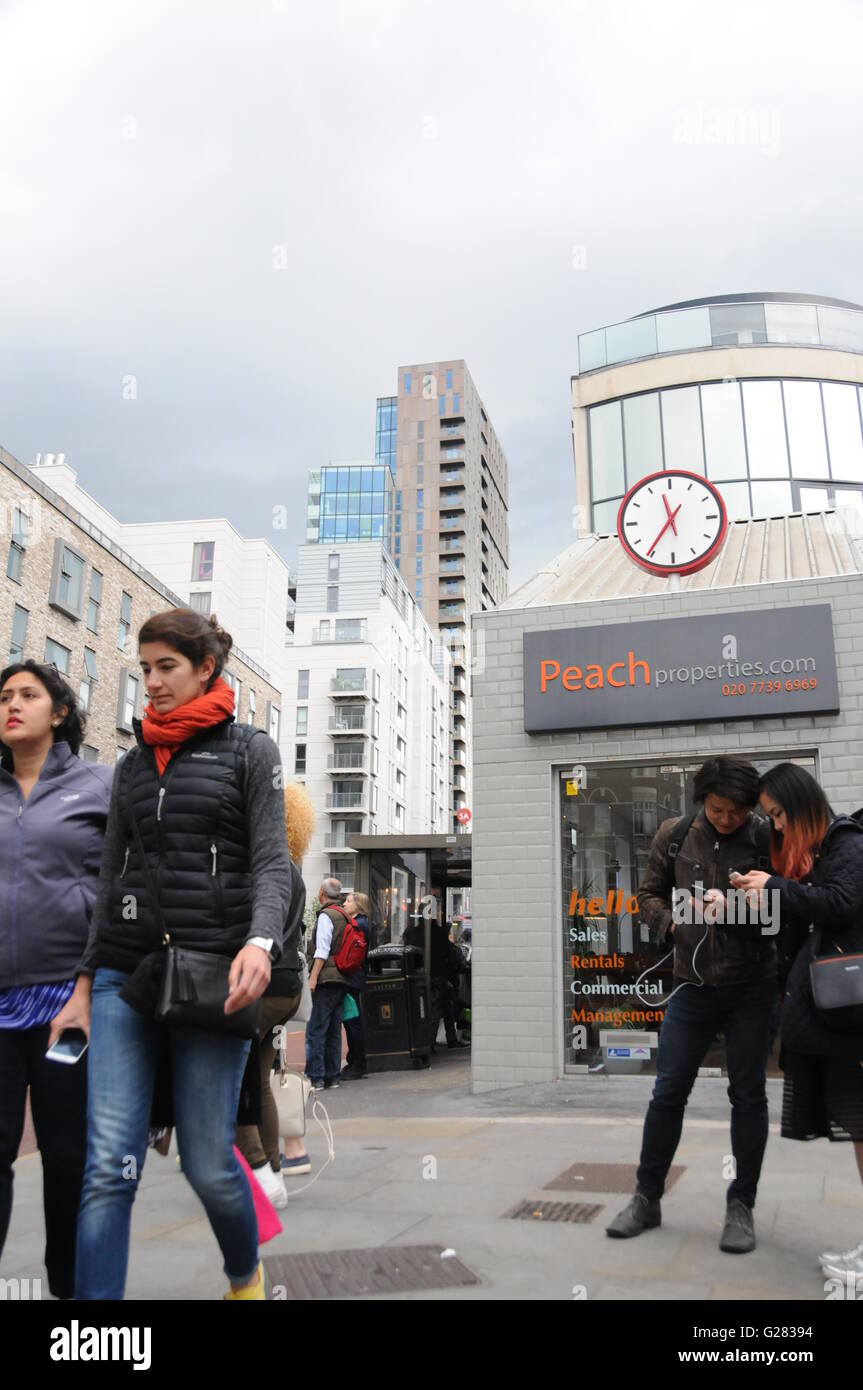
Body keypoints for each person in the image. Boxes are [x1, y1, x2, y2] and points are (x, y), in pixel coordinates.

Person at [73, 609, 291, 1301]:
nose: (151, 683)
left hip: (212, 976)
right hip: (123, 976)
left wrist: (259, 942)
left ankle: (243, 1275)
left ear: (205, 668)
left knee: (206, 1163)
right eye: (143, 669)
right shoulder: (132, 765)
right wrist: (84, 979)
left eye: (165, 667)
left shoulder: (251, 751)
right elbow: (110, 880)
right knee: (109, 1163)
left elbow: (271, 864)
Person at [606, 755, 777, 1254]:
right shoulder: (674, 835)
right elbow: (647, 896)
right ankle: (646, 1197)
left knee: (748, 1097)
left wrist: (742, 908)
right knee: (667, 1092)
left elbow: (785, 908)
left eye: (737, 811)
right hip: (690, 985)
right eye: (719, 809)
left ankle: (741, 1206)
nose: (728, 819)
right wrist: (675, 925)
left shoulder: (766, 838)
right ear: (703, 799)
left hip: (752, 986)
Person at [0, 661, 113, 1300]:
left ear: (59, 711)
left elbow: (113, 892)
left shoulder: (97, 785)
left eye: (28, 694)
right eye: (4, 696)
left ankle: (71, 1300)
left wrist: (87, 989)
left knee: (68, 1160)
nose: (12, 705)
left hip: (65, 1007)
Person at [735, 764, 863, 1282]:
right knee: (859, 1131)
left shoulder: (847, 841)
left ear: (802, 803)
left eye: (780, 814)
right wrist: (764, 892)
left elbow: (842, 903)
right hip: (844, 1020)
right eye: (771, 818)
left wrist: (777, 887)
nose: (778, 827)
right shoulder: (822, 853)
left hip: (854, 1018)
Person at [236, 782, 316, 1204]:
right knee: (259, 1077)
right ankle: (274, 1169)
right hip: (286, 986)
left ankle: (260, 1170)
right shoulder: (294, 870)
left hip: (261, 985)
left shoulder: (261, 866)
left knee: (234, 1078)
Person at [305, 879, 352, 1091]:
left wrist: (313, 977)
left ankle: (315, 1076)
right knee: (334, 1029)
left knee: (316, 1029)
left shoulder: (326, 916)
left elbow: (321, 950)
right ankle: (333, 1076)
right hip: (342, 978)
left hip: (326, 979)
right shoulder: (344, 914)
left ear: (322, 892)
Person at [340, 891, 370, 1080]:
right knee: (352, 1021)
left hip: (352, 977)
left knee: (352, 1022)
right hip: (356, 977)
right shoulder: (362, 923)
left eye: (348, 901)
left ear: (358, 905)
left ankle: (357, 1062)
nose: (344, 904)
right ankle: (355, 1060)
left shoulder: (357, 924)